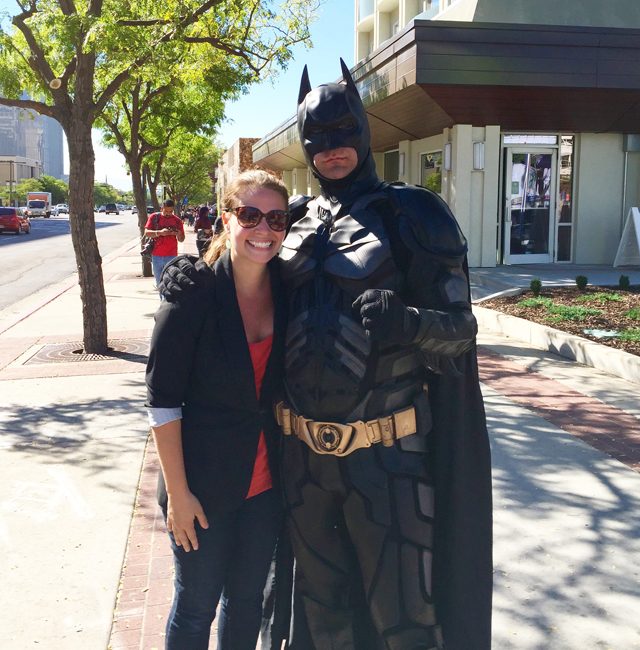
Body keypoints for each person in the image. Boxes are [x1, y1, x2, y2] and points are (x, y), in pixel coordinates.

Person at [160, 60, 492, 650]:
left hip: (388, 457)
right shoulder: (295, 222)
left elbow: (462, 332)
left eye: (344, 132)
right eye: (318, 137)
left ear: (364, 131)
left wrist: (410, 324)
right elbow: (247, 273)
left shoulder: (414, 215)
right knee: (320, 619)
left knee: (405, 619)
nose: (332, 148)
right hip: (303, 462)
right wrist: (193, 273)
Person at [146, 170, 291, 650]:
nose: (263, 229)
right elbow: (163, 400)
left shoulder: (291, 290)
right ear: (226, 219)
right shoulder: (194, 292)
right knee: (195, 609)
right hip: (201, 489)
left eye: (275, 218)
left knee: (247, 603)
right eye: (250, 215)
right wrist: (179, 495)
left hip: (266, 486)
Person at [144, 198, 185, 298]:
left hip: (171, 255)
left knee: (170, 281)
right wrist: (160, 233)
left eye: (170, 211)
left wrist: (178, 233)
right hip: (157, 255)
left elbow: (182, 239)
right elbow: (147, 233)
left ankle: (166, 302)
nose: (168, 213)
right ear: (162, 208)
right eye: (166, 211)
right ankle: (163, 302)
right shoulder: (154, 217)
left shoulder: (177, 221)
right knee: (159, 282)